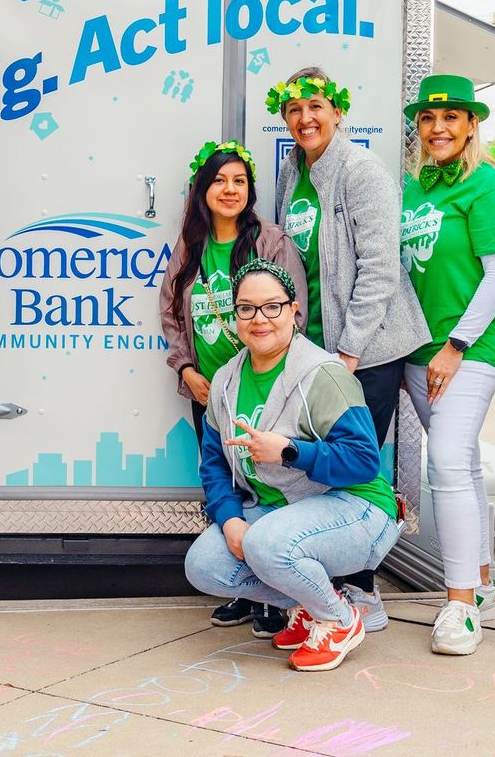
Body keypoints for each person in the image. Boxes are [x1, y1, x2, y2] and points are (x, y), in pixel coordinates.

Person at [269, 68, 429, 632]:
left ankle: (365, 593)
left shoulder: (362, 172)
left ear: (337, 112)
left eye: (316, 106)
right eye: (294, 111)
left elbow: (382, 270)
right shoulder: (293, 171)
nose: (305, 119)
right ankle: (322, 588)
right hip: (315, 350)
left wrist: (349, 352)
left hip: (367, 352)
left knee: (356, 471)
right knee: (317, 473)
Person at [183, 260, 401, 672]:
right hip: (283, 512)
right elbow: (213, 465)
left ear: (294, 310)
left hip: (358, 508)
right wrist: (229, 519)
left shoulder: (323, 375)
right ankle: (314, 605)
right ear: (236, 314)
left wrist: (290, 452)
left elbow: (363, 460)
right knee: (204, 565)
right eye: (246, 308)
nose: (259, 318)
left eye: (272, 307)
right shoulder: (226, 382)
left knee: (267, 544)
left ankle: (340, 620)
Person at [399, 76, 495, 655]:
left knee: (446, 463)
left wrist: (456, 344)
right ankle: (483, 584)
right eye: (429, 119)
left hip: (467, 350)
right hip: (416, 350)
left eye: (451, 118)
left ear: (471, 124)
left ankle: (459, 608)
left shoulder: (488, 187)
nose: (439, 128)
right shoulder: (414, 191)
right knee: (465, 466)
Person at [159, 139, 306, 634]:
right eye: (220, 180)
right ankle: (242, 588)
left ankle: (277, 596)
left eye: (239, 181)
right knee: (224, 483)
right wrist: (185, 370)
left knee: (268, 484)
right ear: (204, 189)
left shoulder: (271, 241)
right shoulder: (191, 245)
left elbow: (295, 313)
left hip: (265, 388)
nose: (229, 189)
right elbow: (170, 314)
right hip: (210, 393)